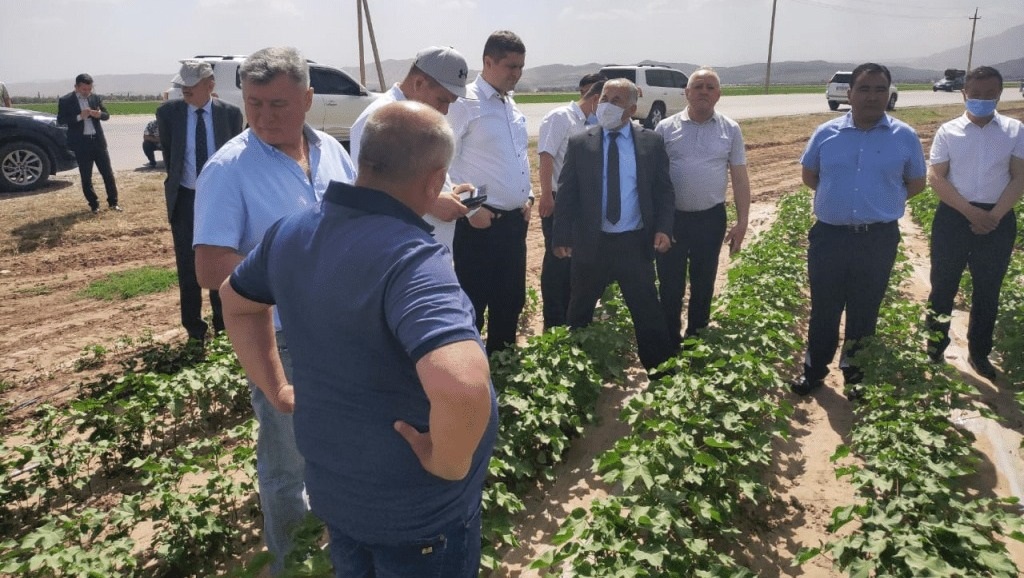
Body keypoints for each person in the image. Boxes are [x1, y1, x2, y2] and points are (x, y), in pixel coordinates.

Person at [220, 100, 497, 577]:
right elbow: (462, 386)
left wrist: (278, 389)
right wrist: (448, 464)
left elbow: (236, 300)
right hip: (418, 518)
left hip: (338, 494)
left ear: (364, 160)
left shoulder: (291, 232)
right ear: (435, 181)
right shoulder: (412, 260)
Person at [192, 46, 357, 575]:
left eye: (278, 104)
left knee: (339, 447)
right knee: (287, 463)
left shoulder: (332, 151)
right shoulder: (229, 169)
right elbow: (210, 267)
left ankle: (338, 544)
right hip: (282, 338)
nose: (264, 117)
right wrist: (301, 278)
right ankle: (292, 563)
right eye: (254, 103)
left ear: (308, 99)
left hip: (343, 330)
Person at [791, 63, 927, 399]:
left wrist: (881, 201)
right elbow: (810, 176)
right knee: (824, 307)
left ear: (889, 94)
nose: (872, 96)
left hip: (877, 238)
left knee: (865, 310)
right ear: (850, 94)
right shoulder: (826, 133)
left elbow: (916, 183)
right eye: (864, 89)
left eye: (880, 89)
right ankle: (814, 371)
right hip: (830, 237)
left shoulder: (904, 136)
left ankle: (855, 375)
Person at [552, 78, 676, 373]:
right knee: (580, 311)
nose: (606, 105)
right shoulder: (581, 142)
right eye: (604, 98)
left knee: (647, 310)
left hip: (634, 243)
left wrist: (663, 228)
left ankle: (661, 375)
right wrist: (561, 236)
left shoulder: (650, 142)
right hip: (592, 244)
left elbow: (663, 191)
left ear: (632, 109)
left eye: (616, 100)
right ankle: (574, 375)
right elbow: (567, 192)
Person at [925, 65, 1024, 380]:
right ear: (965, 94)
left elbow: (1019, 177)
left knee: (987, 290)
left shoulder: (1015, 130)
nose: (982, 99)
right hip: (954, 216)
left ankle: (979, 353)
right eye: (976, 94)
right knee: (943, 286)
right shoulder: (948, 131)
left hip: (998, 218)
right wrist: (971, 212)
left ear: (999, 94)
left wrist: (993, 216)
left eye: (989, 94)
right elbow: (936, 177)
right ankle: (934, 348)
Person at [447, 30, 532, 354]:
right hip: (480, 224)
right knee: (472, 304)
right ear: (488, 62)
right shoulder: (464, 103)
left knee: (510, 301)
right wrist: (470, 208)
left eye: (521, 67)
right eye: (511, 66)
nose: (517, 74)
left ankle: (502, 366)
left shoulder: (510, 104)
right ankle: (470, 371)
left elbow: (517, 156)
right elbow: (441, 162)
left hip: (514, 224)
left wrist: (528, 196)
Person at [655, 67, 751, 347]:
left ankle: (696, 339)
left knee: (703, 282)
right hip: (672, 219)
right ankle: (669, 342)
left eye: (710, 87)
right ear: (687, 93)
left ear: (718, 95)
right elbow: (653, 179)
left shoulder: (730, 129)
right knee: (670, 285)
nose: (704, 92)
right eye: (698, 87)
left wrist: (742, 221)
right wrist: (657, 222)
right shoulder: (665, 128)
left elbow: (740, 178)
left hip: (710, 219)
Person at [349, 45, 471, 251]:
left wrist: (449, 191)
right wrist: (432, 203)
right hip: (397, 253)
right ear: (419, 83)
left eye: (451, 103)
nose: (445, 110)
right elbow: (367, 193)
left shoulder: (420, 117)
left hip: (424, 250)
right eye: (442, 100)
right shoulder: (382, 118)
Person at [156, 60, 243, 345]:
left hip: (220, 200)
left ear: (210, 85)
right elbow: (171, 155)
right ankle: (194, 330)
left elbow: (234, 156)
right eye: (183, 85)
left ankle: (223, 325)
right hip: (186, 198)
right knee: (188, 264)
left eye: (192, 85)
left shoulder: (230, 114)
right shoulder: (168, 114)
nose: (186, 90)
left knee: (220, 259)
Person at [537, 73, 605, 330]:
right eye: (607, 102)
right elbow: (546, 156)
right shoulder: (560, 117)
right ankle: (554, 323)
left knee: (579, 263)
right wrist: (546, 194)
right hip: (559, 201)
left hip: (585, 206)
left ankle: (573, 319)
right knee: (558, 262)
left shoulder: (596, 123)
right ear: (596, 98)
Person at [57, 73, 121, 214]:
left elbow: (106, 115)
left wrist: (99, 115)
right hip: (82, 144)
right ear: (76, 87)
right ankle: (94, 205)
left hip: (98, 142)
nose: (87, 92)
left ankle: (113, 203)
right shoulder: (66, 100)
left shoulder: (95, 98)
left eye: (89, 89)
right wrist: (80, 116)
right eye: (84, 89)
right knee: (86, 176)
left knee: (108, 174)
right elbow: (61, 120)